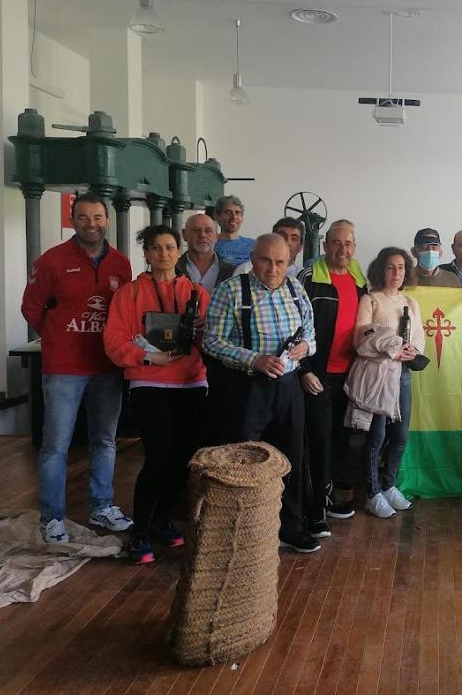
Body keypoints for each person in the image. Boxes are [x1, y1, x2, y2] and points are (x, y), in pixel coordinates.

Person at [21, 192, 134, 543]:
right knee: (56, 445)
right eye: (83, 217)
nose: (91, 224)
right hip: (64, 368)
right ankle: (52, 518)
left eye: (97, 217)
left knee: (105, 440)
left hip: (106, 365)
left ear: (107, 220)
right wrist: (58, 337)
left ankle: (102, 506)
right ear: (73, 220)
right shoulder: (51, 261)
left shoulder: (121, 264)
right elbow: (31, 308)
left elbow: (124, 313)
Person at [203, 233, 320, 553]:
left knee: (291, 457)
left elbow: (310, 331)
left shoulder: (296, 289)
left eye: (280, 262)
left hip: (289, 387)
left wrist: (305, 346)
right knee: (244, 459)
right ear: (253, 259)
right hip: (247, 388)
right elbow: (211, 341)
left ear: (289, 262)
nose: (273, 268)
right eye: (266, 260)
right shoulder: (231, 290)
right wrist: (253, 359)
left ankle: (291, 526)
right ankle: (241, 532)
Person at [104, 224, 210, 564]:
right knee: (158, 458)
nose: (163, 253)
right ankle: (140, 530)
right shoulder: (129, 294)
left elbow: (212, 341)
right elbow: (114, 341)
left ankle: (162, 519)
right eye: (156, 247)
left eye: (169, 247)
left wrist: (204, 331)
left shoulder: (196, 293)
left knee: (184, 459)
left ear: (179, 251)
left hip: (191, 382)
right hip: (149, 383)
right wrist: (148, 357)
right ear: (146, 253)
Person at [298, 219, 367, 527]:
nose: (342, 249)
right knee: (318, 439)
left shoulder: (359, 280)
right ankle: (313, 507)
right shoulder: (309, 277)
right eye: (336, 243)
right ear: (325, 245)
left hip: (349, 375)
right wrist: (304, 370)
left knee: (341, 438)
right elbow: (294, 326)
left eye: (348, 243)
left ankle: (328, 497)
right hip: (318, 375)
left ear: (354, 247)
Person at [354, 248, 425, 518]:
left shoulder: (410, 302)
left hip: (403, 373)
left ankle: (388, 485)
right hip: (379, 374)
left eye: (401, 267)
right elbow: (360, 339)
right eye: (390, 267)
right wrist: (391, 349)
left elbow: (418, 336)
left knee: (400, 434)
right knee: (377, 435)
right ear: (380, 270)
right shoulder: (370, 300)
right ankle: (372, 493)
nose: (396, 273)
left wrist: (412, 351)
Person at [177, 213, 235, 293]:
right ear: (184, 234)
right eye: (196, 230)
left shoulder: (233, 273)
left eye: (208, 231)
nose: (202, 235)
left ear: (216, 236)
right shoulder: (172, 269)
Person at [233, 217, 305, 278]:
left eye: (294, 239)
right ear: (272, 239)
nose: (288, 242)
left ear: (300, 247)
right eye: (282, 236)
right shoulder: (245, 270)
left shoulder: (304, 276)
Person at [212, 195, 255, 266]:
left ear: (242, 218)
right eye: (228, 212)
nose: (234, 217)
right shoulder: (210, 245)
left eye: (237, 213)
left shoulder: (253, 246)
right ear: (217, 216)